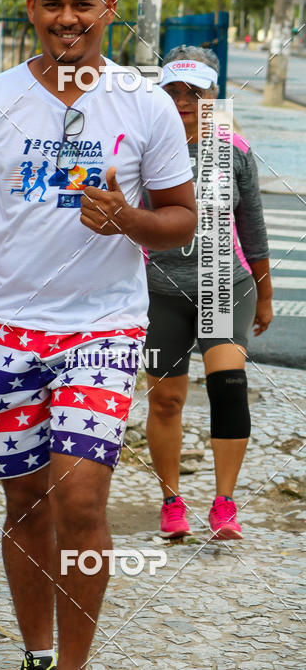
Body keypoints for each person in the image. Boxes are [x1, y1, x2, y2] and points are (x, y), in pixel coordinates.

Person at [0, 0, 197, 670]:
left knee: (81, 502)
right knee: (27, 503)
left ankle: (74, 664)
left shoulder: (146, 105)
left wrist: (128, 220)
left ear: (107, 10)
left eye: (82, 3)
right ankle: (37, 652)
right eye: (52, 4)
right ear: (34, 10)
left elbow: (182, 217)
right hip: (5, 330)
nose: (67, 19)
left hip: (103, 327)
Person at [143, 45, 272, 541]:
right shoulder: (146, 147)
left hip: (224, 283)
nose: (182, 101)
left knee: (228, 385)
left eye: (194, 92)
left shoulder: (233, 149)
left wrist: (264, 294)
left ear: (212, 94)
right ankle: (172, 502)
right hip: (161, 290)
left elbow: (253, 228)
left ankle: (224, 504)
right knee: (167, 401)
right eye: (173, 90)